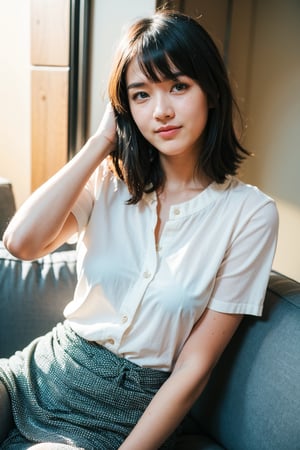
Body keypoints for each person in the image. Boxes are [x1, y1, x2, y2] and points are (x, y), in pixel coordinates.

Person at [0, 9, 278, 450]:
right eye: (141, 95)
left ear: (211, 93)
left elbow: (193, 369)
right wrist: (100, 143)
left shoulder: (250, 215)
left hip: (125, 413)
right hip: (45, 368)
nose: (161, 111)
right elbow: (21, 243)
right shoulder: (109, 179)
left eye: (179, 87)